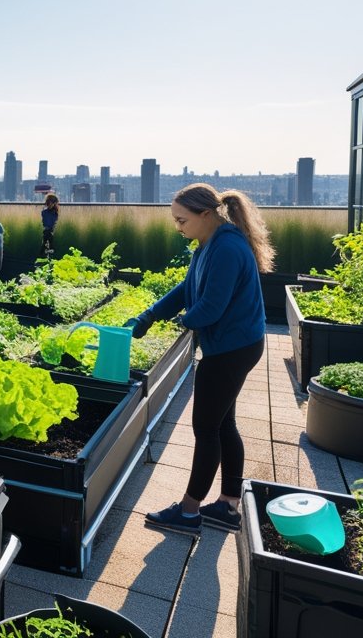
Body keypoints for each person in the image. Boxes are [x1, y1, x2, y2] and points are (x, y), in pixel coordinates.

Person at [126, 183, 273, 536]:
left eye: (182, 220)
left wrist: (182, 323)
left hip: (230, 350)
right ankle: (226, 505)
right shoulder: (209, 244)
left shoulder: (226, 248)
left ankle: (189, 512)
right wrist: (149, 315)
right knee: (223, 425)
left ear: (205, 214)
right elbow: (188, 289)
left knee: (206, 429)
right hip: (238, 344)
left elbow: (210, 307)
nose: (178, 227)